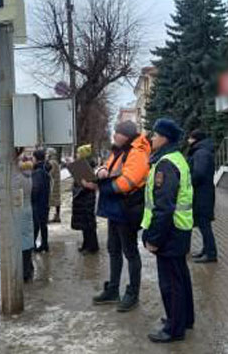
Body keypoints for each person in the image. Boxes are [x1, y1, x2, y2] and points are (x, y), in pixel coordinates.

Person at [83, 120, 150, 313]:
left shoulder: (137, 153)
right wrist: (100, 172)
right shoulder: (119, 151)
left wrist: (101, 186)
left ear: (126, 135)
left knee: (130, 252)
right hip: (116, 209)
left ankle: (133, 293)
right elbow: (106, 168)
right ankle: (113, 289)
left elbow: (127, 183)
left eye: (117, 133)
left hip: (128, 209)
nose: (114, 136)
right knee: (113, 249)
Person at [142, 118, 194, 344]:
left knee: (171, 282)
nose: (151, 139)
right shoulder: (177, 158)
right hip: (179, 228)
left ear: (164, 138)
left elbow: (164, 207)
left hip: (170, 232)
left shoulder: (165, 164)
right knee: (181, 276)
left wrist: (153, 239)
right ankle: (185, 319)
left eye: (154, 135)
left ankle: (174, 329)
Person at [187, 130, 218, 263]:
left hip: (202, 195)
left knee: (204, 225)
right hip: (203, 193)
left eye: (190, 138)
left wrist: (188, 183)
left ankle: (211, 254)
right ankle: (206, 250)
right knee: (202, 224)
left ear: (195, 139)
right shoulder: (202, 151)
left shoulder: (201, 153)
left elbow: (199, 173)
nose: (188, 141)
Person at [71, 144, 99, 254]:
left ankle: (92, 246)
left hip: (87, 199)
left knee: (89, 224)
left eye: (78, 153)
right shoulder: (81, 166)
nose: (76, 155)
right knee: (84, 224)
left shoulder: (89, 167)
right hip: (82, 199)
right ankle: (86, 244)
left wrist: (84, 183)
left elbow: (94, 186)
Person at [15, 148, 35, 282]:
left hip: (20, 211)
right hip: (28, 209)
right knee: (27, 240)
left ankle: (25, 273)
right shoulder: (29, 176)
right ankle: (29, 269)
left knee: (21, 243)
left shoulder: (19, 178)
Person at [31, 149, 51, 253]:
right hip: (45, 201)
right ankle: (45, 244)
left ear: (36, 158)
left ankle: (33, 244)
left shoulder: (38, 172)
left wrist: (31, 198)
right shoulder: (45, 169)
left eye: (32, 157)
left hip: (38, 203)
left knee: (36, 225)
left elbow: (35, 189)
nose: (31, 159)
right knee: (43, 225)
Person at [47, 148, 62, 223]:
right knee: (57, 200)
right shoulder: (55, 161)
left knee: (49, 200)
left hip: (52, 183)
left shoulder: (51, 162)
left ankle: (47, 217)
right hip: (56, 183)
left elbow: (50, 173)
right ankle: (57, 216)